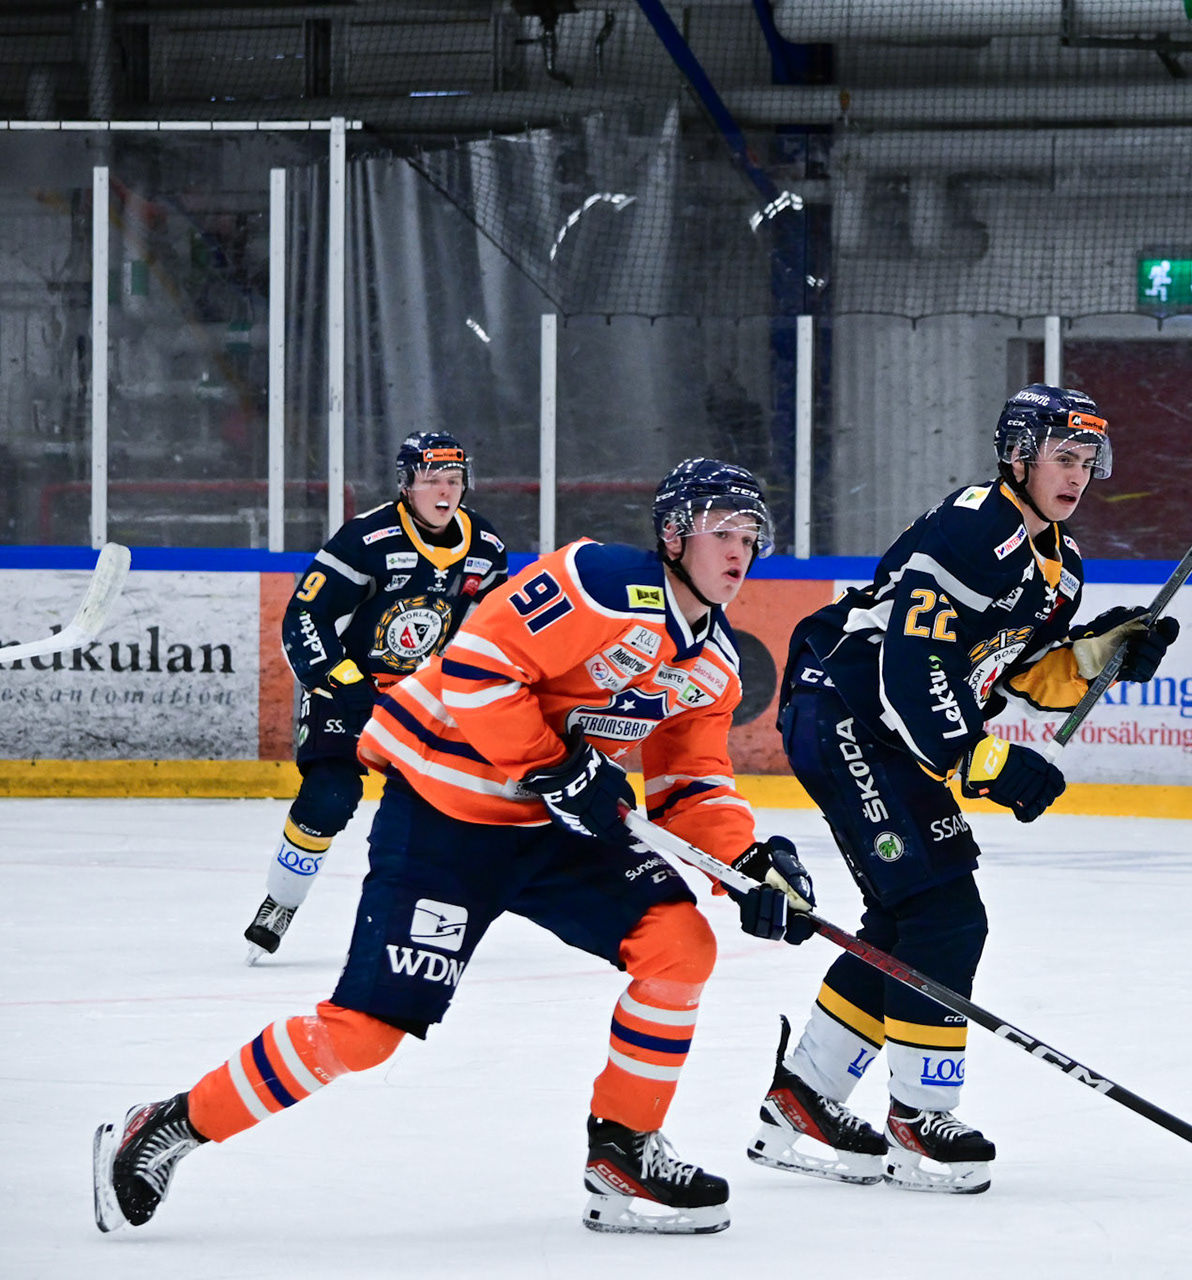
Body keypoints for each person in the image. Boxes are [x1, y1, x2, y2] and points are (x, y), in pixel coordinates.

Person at [96, 459, 815, 1237]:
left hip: (553, 829)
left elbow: (689, 785)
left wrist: (747, 864)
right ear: (674, 536)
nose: (738, 550)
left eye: (750, 535)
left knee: (679, 946)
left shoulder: (713, 666)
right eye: (720, 530)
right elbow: (477, 667)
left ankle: (624, 1150)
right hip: (446, 818)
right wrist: (555, 766)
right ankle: (167, 1125)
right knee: (364, 1034)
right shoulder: (599, 582)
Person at [747, 385, 1180, 1193]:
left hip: (889, 731)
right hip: (848, 711)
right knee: (946, 917)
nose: (1077, 475)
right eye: (1062, 457)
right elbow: (913, 663)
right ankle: (919, 1120)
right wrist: (979, 759)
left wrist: (1101, 654)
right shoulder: (975, 524)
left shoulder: (1063, 566)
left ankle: (804, 1098)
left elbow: (1019, 673)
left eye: (1087, 461)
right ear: (1017, 455)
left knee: (907, 919)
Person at [244, 432, 510, 961]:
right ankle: (281, 901)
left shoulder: (485, 547)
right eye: (432, 480)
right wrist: (344, 684)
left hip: (425, 697)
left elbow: (493, 627)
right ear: (406, 484)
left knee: (444, 808)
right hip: (350, 685)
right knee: (330, 797)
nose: (444, 492)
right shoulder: (367, 539)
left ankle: (427, 914)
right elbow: (305, 615)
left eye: (453, 481)